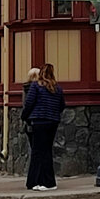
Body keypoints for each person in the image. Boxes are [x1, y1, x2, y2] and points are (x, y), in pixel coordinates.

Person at [23, 63, 65, 191]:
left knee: (37, 151)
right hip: (52, 121)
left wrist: (24, 116)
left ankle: (40, 181)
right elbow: (62, 105)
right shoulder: (57, 88)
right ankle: (46, 181)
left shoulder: (36, 86)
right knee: (46, 150)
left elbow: (29, 103)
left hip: (39, 120)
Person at [21, 68, 39, 142]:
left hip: (29, 120)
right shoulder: (38, 88)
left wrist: (24, 117)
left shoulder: (26, 88)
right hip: (37, 118)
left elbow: (25, 104)